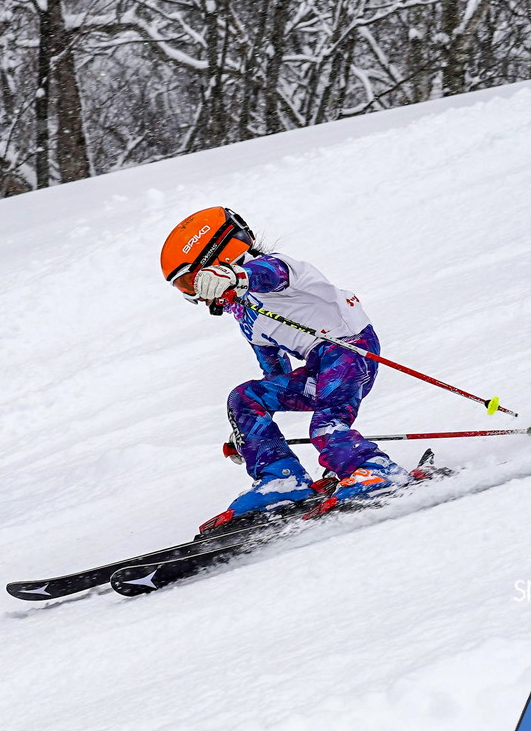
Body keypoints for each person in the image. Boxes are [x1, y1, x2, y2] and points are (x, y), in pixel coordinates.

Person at [159, 206, 413, 529]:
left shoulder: (270, 270)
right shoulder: (246, 317)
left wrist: (236, 277)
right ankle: (282, 478)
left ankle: (377, 471)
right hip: (321, 367)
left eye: (192, 282)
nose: (196, 296)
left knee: (325, 426)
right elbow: (276, 379)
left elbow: (272, 273)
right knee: (244, 398)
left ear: (217, 257)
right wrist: (251, 434)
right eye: (185, 289)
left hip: (350, 350)